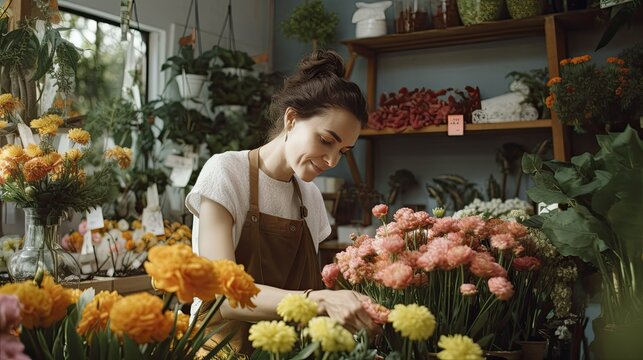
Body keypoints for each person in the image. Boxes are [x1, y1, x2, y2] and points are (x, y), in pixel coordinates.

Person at [185, 49, 380, 355]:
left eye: (343, 151)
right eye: (326, 141)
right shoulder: (226, 173)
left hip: (288, 350)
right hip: (223, 348)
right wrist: (320, 300)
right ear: (291, 119)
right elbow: (225, 294)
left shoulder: (309, 197)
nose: (331, 160)